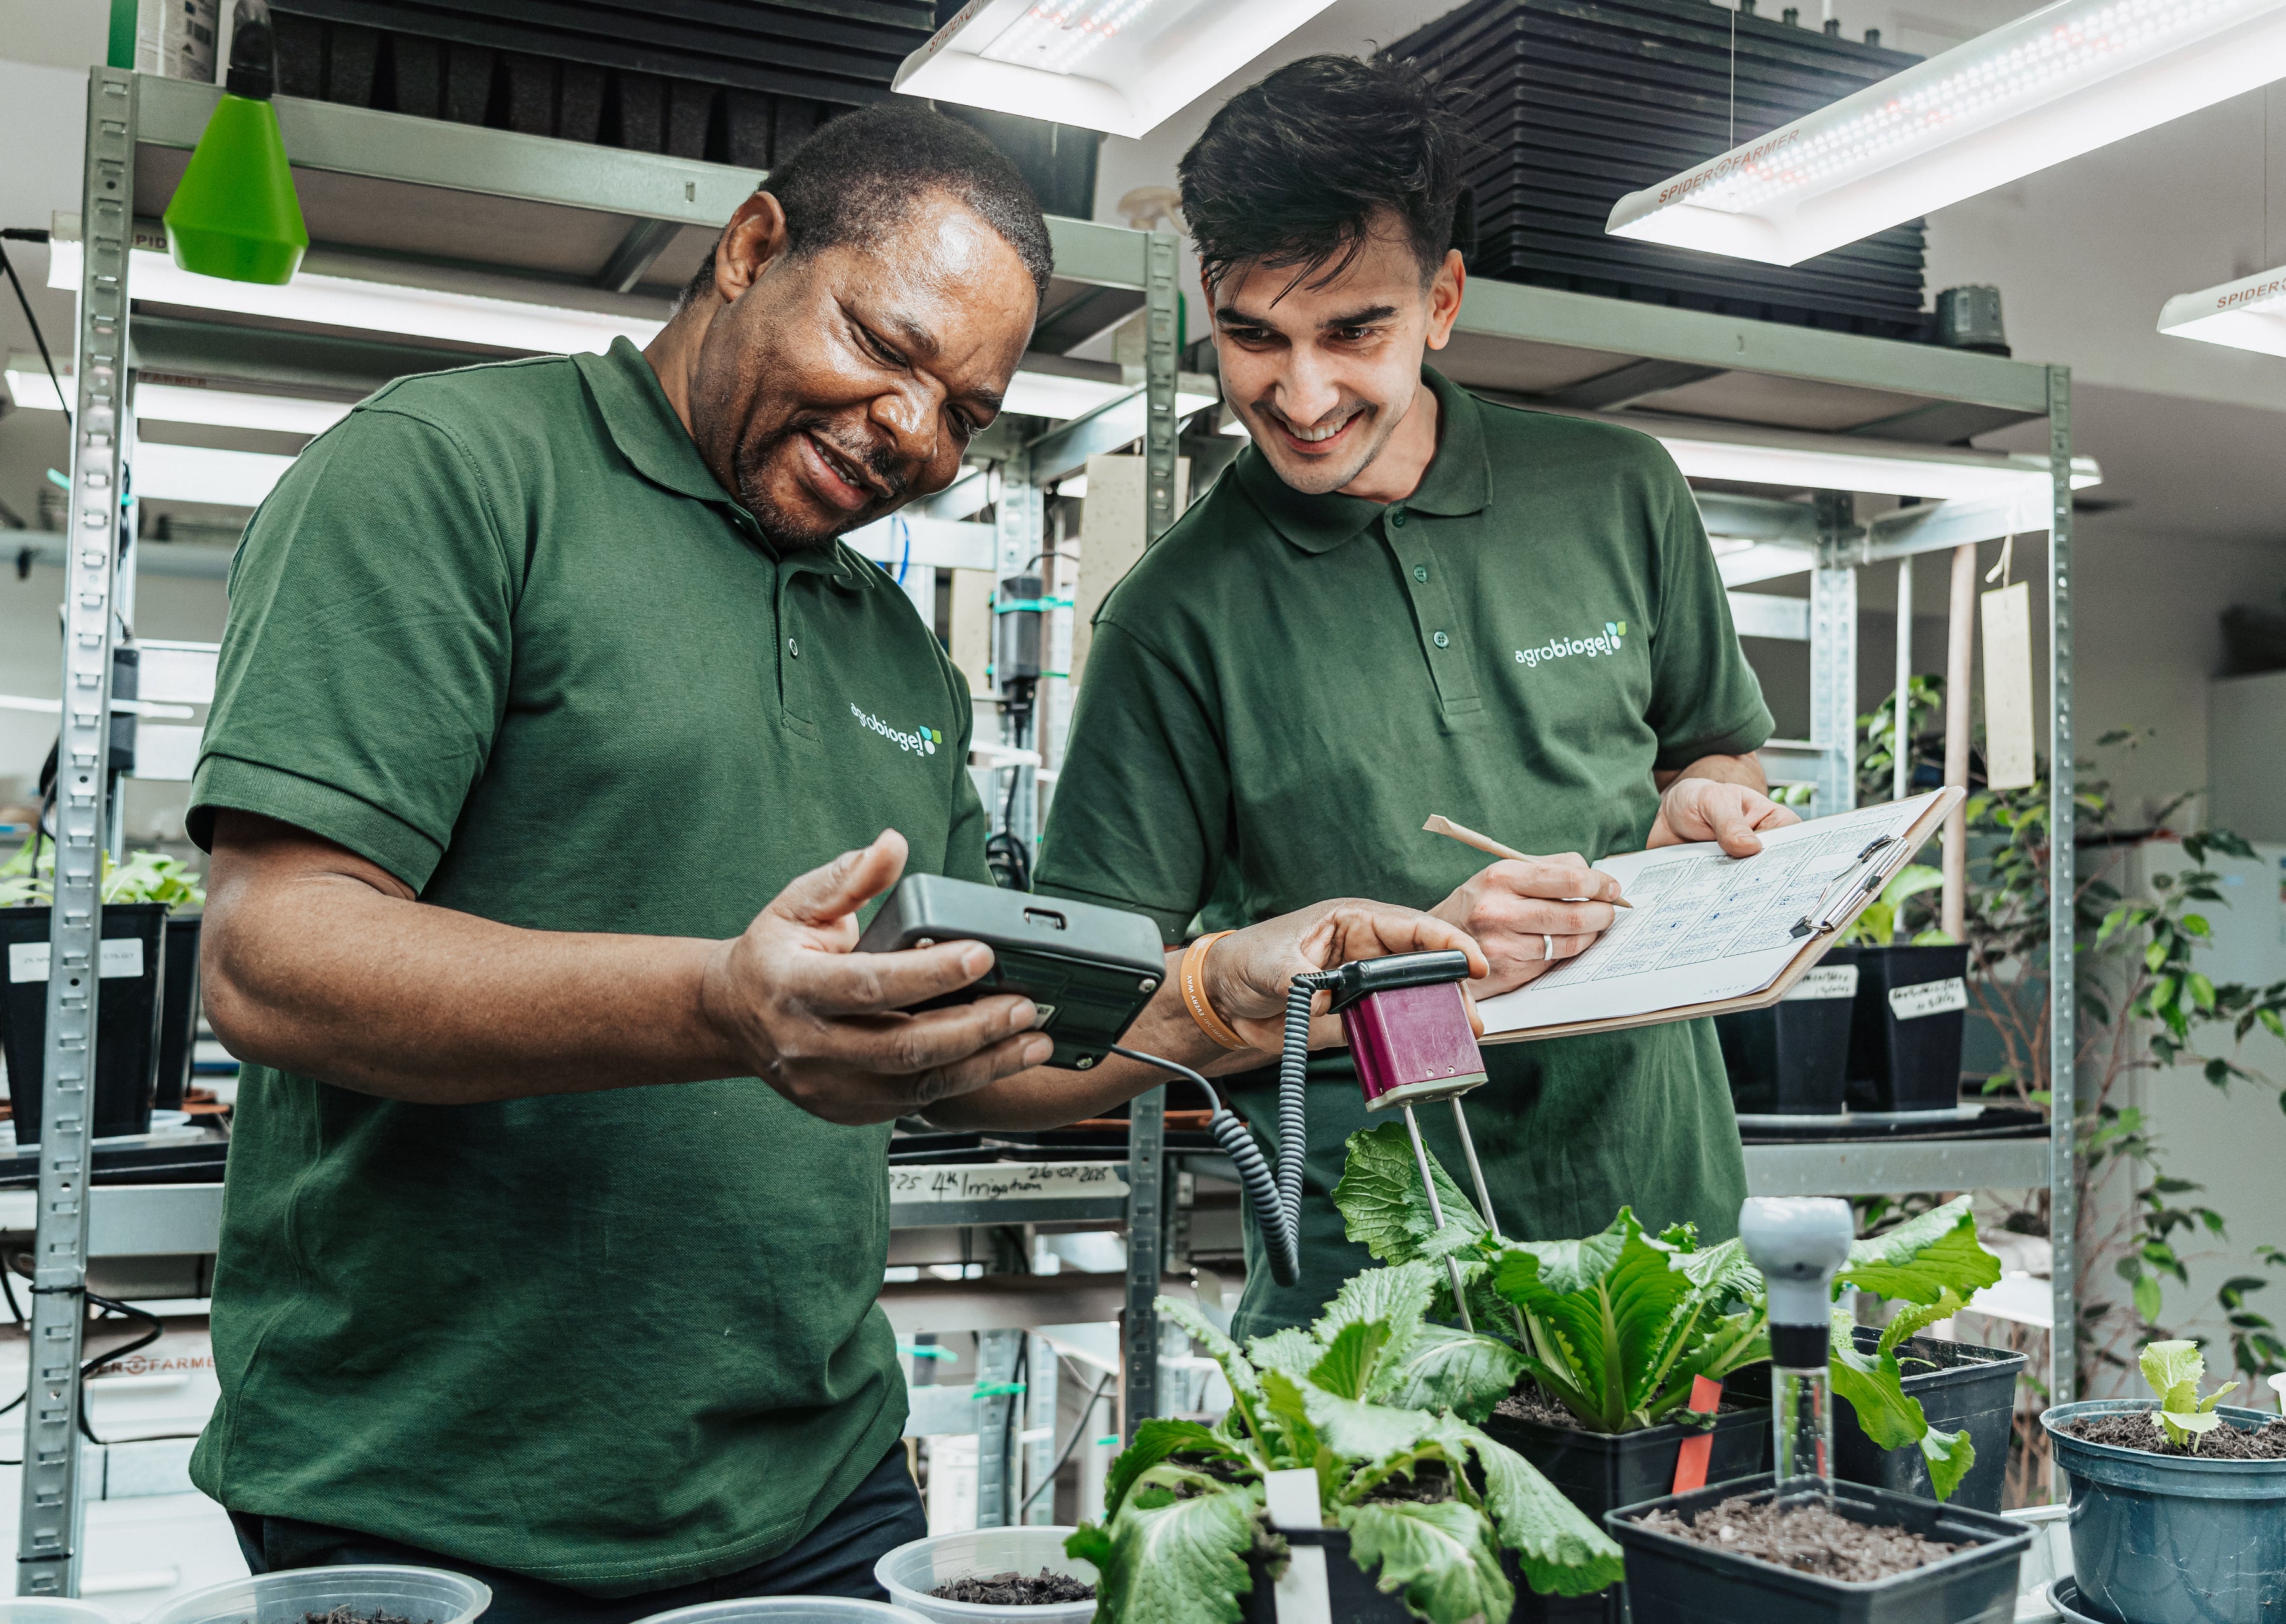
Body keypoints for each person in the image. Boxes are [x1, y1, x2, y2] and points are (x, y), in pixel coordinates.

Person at [187, 105, 1479, 1624]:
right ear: (750, 249)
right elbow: (274, 954)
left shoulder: (898, 654)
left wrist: (1224, 991)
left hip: (817, 1483)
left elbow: (970, 1056)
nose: (911, 431)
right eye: (883, 344)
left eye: (966, 410)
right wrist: (725, 1005)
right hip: (427, 1490)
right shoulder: (451, 476)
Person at [935, 56, 1800, 1339]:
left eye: (1353, 332)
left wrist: (1705, 819)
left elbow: (1713, 758)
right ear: (1206, 308)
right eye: (1252, 335)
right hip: (1376, 1299)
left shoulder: (1621, 489)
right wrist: (1373, 976)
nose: (1300, 394)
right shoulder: (1174, 619)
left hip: (1665, 1246)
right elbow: (1076, 1037)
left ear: (1441, 301)